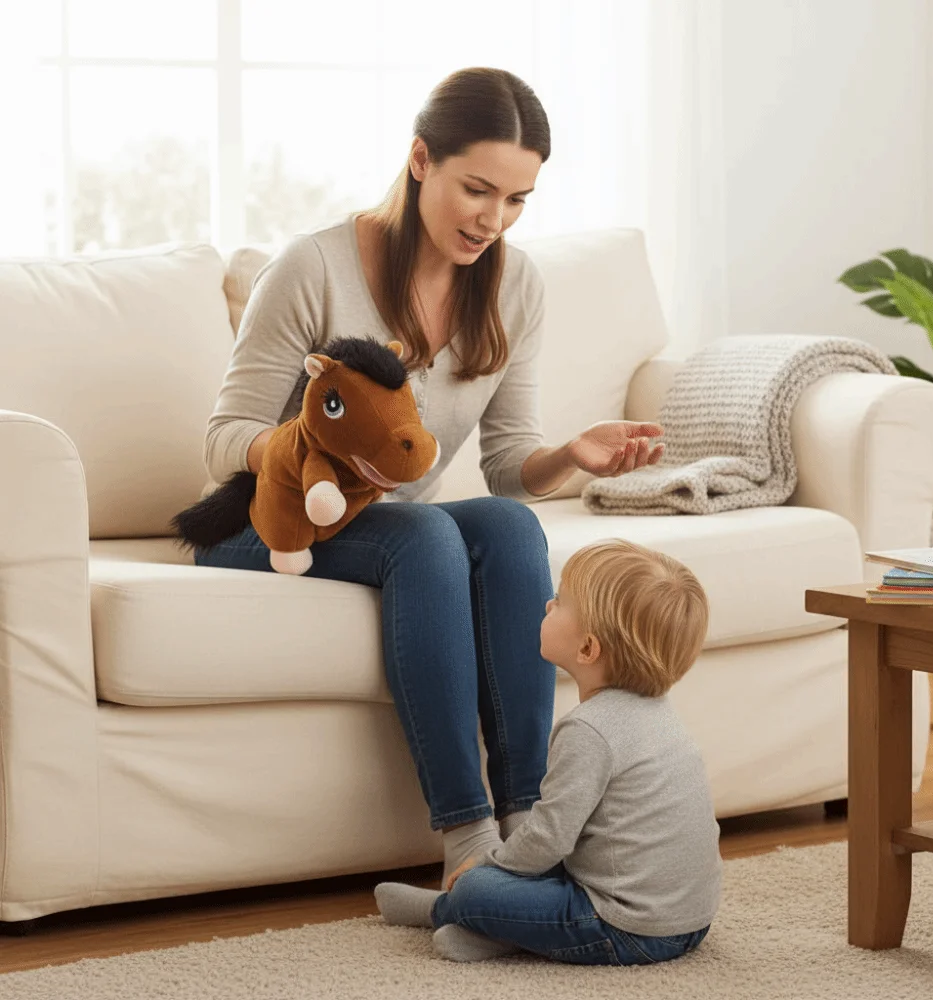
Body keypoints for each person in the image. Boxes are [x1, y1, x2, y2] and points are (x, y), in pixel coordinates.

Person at [195, 67, 666, 888]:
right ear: (420, 159)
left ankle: (530, 823)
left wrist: (570, 454)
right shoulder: (313, 269)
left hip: (388, 525)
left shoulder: (514, 285)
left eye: (517, 199)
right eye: (477, 189)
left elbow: (507, 462)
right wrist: (316, 454)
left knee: (508, 527)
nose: (494, 219)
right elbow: (223, 439)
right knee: (425, 533)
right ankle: (466, 840)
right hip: (266, 523)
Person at [375, 540, 722, 967]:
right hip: (692, 922)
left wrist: (487, 864)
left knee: (476, 888)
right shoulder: (662, 715)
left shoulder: (588, 730)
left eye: (559, 601)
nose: (546, 605)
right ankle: (499, 935)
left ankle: (441, 912)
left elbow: (548, 837)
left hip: (624, 928)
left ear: (587, 649)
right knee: (541, 871)